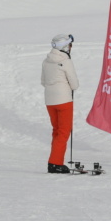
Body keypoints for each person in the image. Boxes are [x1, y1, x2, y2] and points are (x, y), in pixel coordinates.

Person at [41, 33, 79, 174]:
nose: (70, 48)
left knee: (56, 131)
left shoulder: (46, 60)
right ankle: (55, 163)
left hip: (50, 101)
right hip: (64, 100)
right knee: (63, 132)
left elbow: (43, 81)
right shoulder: (66, 61)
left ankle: (55, 160)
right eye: (69, 45)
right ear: (64, 46)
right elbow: (74, 84)